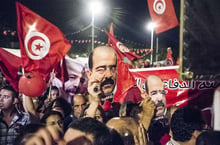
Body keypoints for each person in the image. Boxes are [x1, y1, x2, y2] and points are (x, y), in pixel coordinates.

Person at [145, 75, 170, 145]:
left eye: (162, 92)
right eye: (154, 93)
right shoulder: (141, 126)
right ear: (146, 96)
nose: (160, 98)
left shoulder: (173, 122)